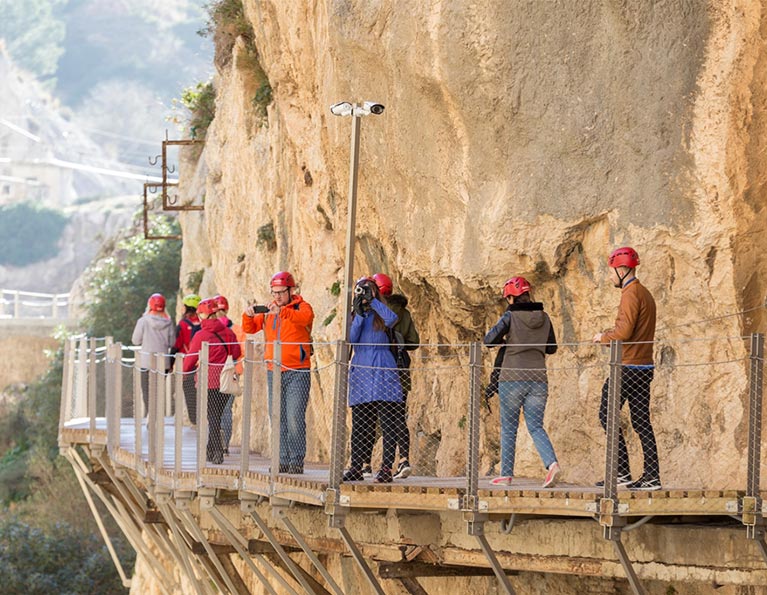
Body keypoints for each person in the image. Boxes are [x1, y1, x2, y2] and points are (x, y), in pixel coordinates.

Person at [592, 247, 660, 491]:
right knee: (641, 421)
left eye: (611, 271)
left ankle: (622, 472)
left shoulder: (631, 294)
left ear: (622, 269)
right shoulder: (645, 293)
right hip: (644, 365)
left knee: (606, 414)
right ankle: (652, 476)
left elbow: (624, 332)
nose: (610, 276)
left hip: (628, 366)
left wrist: (602, 337)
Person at [483, 276, 561, 488]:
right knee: (536, 426)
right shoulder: (544, 317)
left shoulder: (510, 316)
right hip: (538, 378)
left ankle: (506, 475)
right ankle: (552, 464)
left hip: (512, 378)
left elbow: (489, 340)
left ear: (510, 297)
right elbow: (551, 348)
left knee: (509, 427)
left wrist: (508, 339)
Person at [242, 271, 314, 474]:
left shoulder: (302, 307)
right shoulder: (269, 311)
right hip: (274, 370)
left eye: (281, 292)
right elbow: (250, 328)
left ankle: (296, 460)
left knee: (294, 417)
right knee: (277, 417)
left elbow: (305, 319)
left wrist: (281, 313)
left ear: (291, 290)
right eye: (274, 293)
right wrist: (247, 314)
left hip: (297, 370)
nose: (277, 297)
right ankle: (281, 459)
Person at [342, 277, 403, 484]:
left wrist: (375, 301)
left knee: (388, 422)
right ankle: (356, 466)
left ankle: (386, 467)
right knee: (360, 423)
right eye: (362, 290)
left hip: (383, 368)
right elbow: (351, 338)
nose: (365, 294)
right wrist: (359, 313)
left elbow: (392, 319)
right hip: (362, 370)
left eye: (369, 290)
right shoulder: (354, 315)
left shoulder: (382, 313)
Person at [361, 272, 419, 480]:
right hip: (401, 369)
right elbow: (414, 342)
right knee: (397, 417)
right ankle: (403, 459)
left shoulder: (374, 312)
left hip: (377, 371)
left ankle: (365, 463)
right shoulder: (404, 313)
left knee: (371, 417)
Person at [183, 298, 240, 464]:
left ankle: (217, 453)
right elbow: (235, 352)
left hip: (209, 381)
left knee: (213, 416)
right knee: (218, 414)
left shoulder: (202, 335)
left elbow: (191, 358)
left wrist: (184, 372)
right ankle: (211, 449)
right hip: (227, 379)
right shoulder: (228, 332)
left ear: (202, 315)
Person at [131, 293, 175, 416]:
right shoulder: (169, 322)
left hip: (146, 362)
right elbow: (172, 342)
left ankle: (151, 415)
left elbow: (135, 340)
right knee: (159, 390)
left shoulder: (143, 321)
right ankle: (157, 415)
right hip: (163, 362)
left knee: (147, 390)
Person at [215, 294, 245, 455]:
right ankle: (224, 444)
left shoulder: (208, 329)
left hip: (214, 372)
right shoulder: (237, 329)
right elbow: (242, 351)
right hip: (232, 373)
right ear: (226, 309)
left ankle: (215, 443)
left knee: (213, 408)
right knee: (227, 409)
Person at [171, 294, 201, 424]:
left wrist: (169, 364)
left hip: (188, 365)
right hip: (203, 364)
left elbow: (176, 345)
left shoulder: (182, 325)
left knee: (190, 396)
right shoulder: (203, 323)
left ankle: (195, 422)